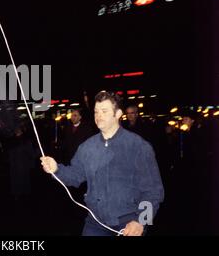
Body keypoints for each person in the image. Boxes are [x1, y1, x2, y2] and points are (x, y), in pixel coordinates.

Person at [40, 91, 164, 236]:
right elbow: (75, 175)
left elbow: (153, 191)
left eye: (104, 111)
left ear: (118, 114)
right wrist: (56, 169)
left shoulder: (138, 147)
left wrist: (142, 221)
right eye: (96, 111)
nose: (98, 116)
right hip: (95, 222)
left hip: (129, 223)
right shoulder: (87, 147)